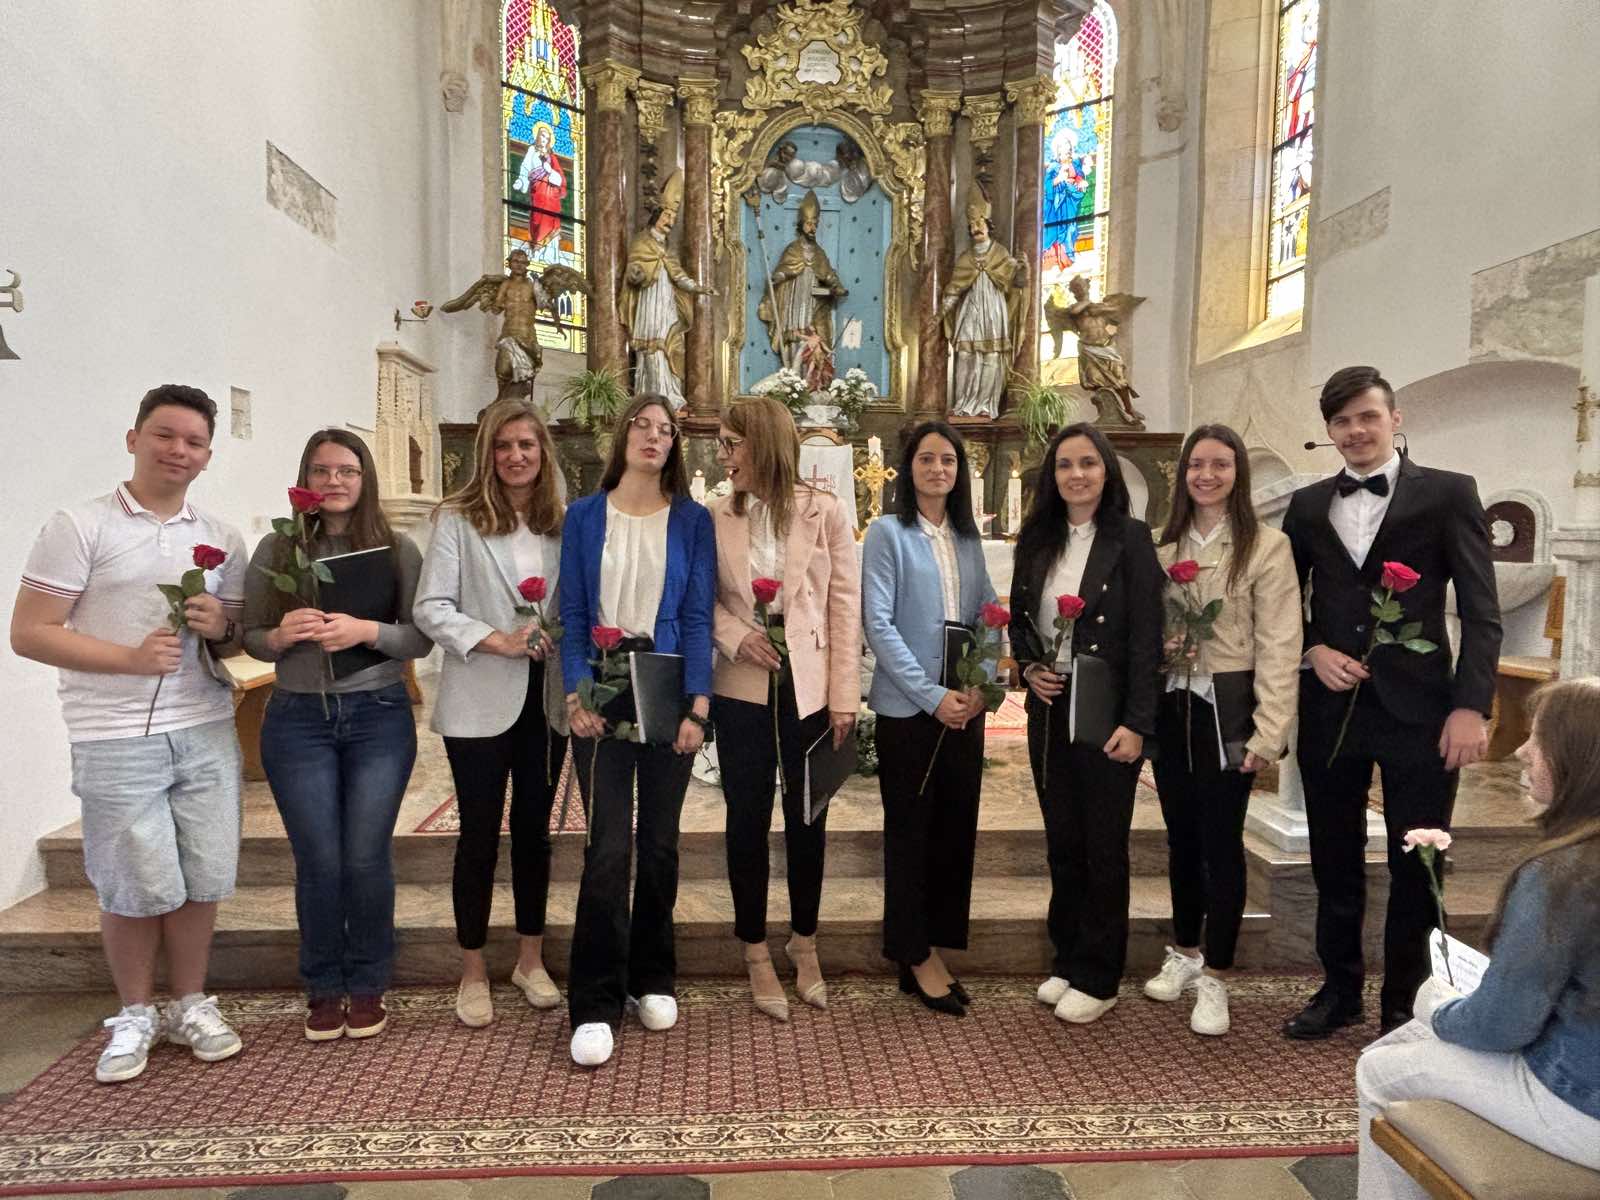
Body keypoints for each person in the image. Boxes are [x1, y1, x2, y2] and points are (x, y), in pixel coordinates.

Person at [11, 384, 248, 1082]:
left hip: (205, 724)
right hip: (114, 732)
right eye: (165, 435)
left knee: (203, 874)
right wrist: (128, 660)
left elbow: (235, 636)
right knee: (131, 882)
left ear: (207, 456)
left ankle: (192, 1002)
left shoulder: (221, 537)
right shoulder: (80, 525)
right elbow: (30, 632)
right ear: (133, 438)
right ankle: (136, 1011)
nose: (179, 450)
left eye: (194, 441)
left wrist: (221, 625)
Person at [1281, 366, 1501, 1039]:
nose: (1356, 431)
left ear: (1394, 419)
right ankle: (1339, 991)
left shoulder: (1449, 494)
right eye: (1342, 421)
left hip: (1424, 711)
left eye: (1367, 417)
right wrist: (1313, 651)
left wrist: (1471, 707)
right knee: (1333, 856)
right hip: (1332, 708)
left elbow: (1482, 611)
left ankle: (1406, 1002)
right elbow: (1284, 604)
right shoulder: (1307, 506)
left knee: (1418, 859)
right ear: (1329, 430)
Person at [1355, 677, 1600, 1198]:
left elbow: (1503, 1026)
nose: (1521, 751)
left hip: (1585, 1105)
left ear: (1577, 761)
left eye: (1538, 739)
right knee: (1415, 1041)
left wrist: (1437, 1009)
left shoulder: (1566, 875)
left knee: (1378, 1069)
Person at [244, 429, 431, 1041]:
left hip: (378, 714)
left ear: (365, 477)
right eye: (321, 471)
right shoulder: (278, 548)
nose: (334, 481)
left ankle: (369, 980)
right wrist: (279, 636)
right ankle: (324, 986)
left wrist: (366, 631)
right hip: (298, 718)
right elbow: (250, 635)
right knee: (319, 859)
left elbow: (421, 638)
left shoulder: (396, 548)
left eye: (347, 470)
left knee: (365, 854)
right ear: (305, 479)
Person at [558, 394, 715, 1067]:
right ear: (622, 435)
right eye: (643, 426)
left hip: (665, 684)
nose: (654, 437)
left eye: (666, 430)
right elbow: (572, 613)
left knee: (659, 845)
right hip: (600, 685)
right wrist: (575, 693)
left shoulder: (692, 519)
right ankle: (595, 1000)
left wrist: (698, 706)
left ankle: (652, 976)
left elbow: (699, 615)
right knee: (607, 849)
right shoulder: (583, 516)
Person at [413, 400, 571, 1029]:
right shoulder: (458, 518)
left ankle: (530, 960)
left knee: (535, 832)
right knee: (478, 834)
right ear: (487, 453)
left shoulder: (563, 521)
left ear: (543, 452)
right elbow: (431, 606)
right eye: (503, 446)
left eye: (526, 445)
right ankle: (473, 969)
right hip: (480, 696)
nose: (515, 456)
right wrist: (494, 639)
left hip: (546, 697)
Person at [1143, 425, 1301, 1036]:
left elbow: (1280, 642)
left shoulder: (1266, 547)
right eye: (1196, 465)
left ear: (1239, 474)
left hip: (1228, 708)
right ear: (1181, 474)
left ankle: (1218, 975)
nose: (1206, 475)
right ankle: (1185, 952)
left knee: (1221, 842)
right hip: (1173, 706)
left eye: (1220, 465)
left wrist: (1268, 730)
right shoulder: (1163, 545)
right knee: (1181, 839)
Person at [710, 396, 860, 1023]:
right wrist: (734, 635)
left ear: (763, 443)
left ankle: (805, 940)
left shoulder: (824, 509)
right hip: (741, 685)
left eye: (732, 443)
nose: (723, 455)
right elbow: (699, 598)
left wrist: (845, 695)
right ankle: (753, 949)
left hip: (809, 686)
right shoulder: (715, 513)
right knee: (746, 819)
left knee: (808, 819)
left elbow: (844, 603)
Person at [1008, 421, 1162, 1025]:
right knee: (1063, 840)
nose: (1077, 475)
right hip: (1049, 704)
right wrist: (1029, 667)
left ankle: (1101, 975)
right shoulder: (1037, 538)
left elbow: (1147, 637)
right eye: (1066, 465)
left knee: (1103, 843)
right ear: (1053, 476)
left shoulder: (1131, 538)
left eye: (1088, 463)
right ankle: (1069, 957)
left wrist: (1138, 723)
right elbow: (1021, 619)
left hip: (1106, 705)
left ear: (1106, 471)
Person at [863, 422, 998, 1016]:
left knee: (953, 830)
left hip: (963, 707)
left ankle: (933, 945)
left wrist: (979, 685)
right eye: (926, 458)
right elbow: (878, 623)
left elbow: (989, 612)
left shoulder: (968, 537)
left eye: (948, 460)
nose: (938, 469)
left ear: (959, 471)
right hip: (910, 709)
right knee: (910, 833)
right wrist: (930, 695)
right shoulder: (887, 533)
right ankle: (914, 954)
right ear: (908, 467)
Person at [621, 172, 714, 411]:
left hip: (666, 304)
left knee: (669, 345)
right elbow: (633, 270)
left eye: (673, 217)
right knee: (651, 349)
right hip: (649, 302)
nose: (670, 221)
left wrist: (698, 287)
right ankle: (649, 395)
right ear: (657, 215)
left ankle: (669, 394)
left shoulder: (668, 249)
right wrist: (636, 274)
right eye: (667, 215)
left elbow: (679, 276)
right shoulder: (642, 241)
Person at [940, 196, 1027, 420]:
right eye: (972, 225)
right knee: (964, 353)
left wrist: (1023, 269)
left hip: (994, 309)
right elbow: (954, 288)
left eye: (979, 223)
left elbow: (1017, 283)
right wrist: (942, 312)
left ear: (988, 226)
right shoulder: (965, 258)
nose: (975, 228)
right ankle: (962, 404)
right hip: (971, 308)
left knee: (992, 354)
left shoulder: (1001, 254)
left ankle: (986, 405)